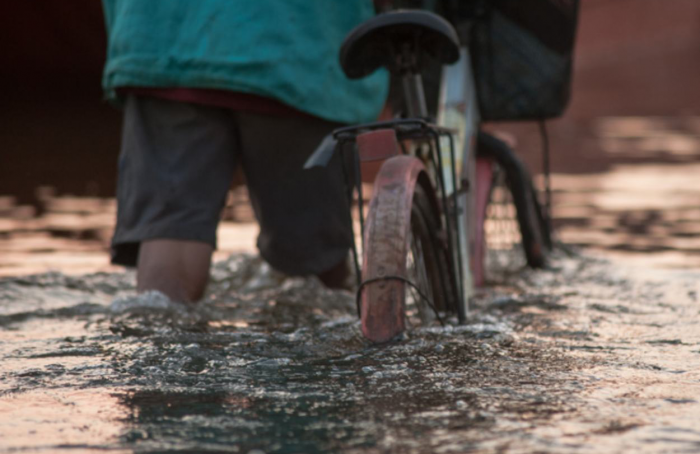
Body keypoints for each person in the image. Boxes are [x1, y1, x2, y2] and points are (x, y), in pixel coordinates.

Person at [101, 1, 388, 302]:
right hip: (299, 52)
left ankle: (158, 337)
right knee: (313, 263)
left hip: (162, 42)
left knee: (171, 229)